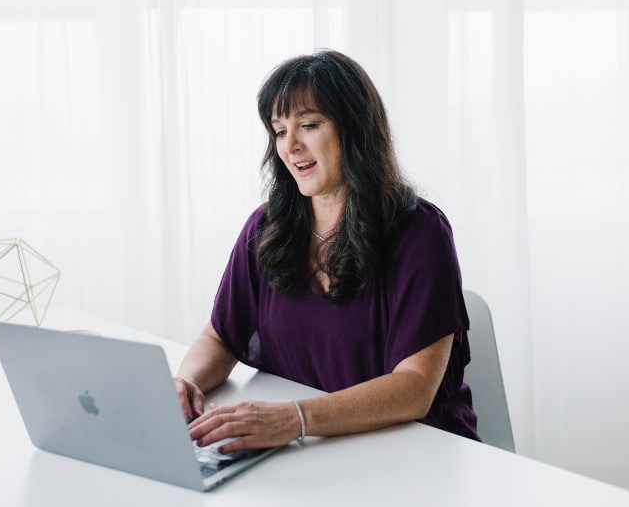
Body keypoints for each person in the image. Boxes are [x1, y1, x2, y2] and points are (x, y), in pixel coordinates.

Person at [174, 50, 479, 454]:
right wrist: (186, 383)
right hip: (313, 453)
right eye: (279, 131)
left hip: (415, 453)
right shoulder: (266, 228)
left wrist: (293, 420)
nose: (290, 145)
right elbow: (219, 338)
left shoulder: (420, 233)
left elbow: (415, 386)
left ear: (355, 128)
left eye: (309, 125)